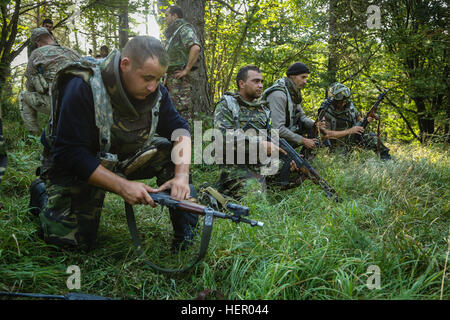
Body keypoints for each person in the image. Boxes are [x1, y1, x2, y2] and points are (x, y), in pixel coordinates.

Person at [29, 36, 198, 251]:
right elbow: (69, 153)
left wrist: (181, 176)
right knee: (71, 246)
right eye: (147, 78)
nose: (152, 87)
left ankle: (185, 238)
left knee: (172, 155)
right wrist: (123, 187)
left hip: (122, 156)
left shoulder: (157, 92)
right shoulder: (83, 85)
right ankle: (42, 192)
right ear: (125, 65)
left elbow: (181, 130)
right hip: (77, 166)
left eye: (158, 79)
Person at [213, 65, 301, 199]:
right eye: (256, 81)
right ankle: (222, 194)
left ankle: (265, 188)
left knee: (296, 171)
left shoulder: (263, 111)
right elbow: (222, 139)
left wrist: (287, 159)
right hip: (235, 167)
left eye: (261, 82)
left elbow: (272, 140)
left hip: (259, 164)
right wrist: (260, 145)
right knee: (255, 201)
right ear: (241, 84)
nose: (260, 85)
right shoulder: (228, 105)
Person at [19, 27, 81, 135]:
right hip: (83, 102)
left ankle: (34, 136)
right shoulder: (73, 52)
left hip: (59, 104)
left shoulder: (36, 54)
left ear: (37, 42)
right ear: (51, 37)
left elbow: (30, 86)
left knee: (23, 97)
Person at [318, 82, 391, 159]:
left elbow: (358, 119)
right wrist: (350, 131)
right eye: (340, 102)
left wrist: (366, 120)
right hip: (336, 146)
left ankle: (386, 160)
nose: (343, 104)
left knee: (373, 138)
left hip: (353, 139)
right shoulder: (325, 111)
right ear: (334, 99)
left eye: (345, 101)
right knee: (340, 163)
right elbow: (325, 135)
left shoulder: (349, 105)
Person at [262, 62, 322, 151]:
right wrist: (303, 140)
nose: (305, 82)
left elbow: (302, 116)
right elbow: (277, 128)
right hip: (268, 140)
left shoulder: (293, 92)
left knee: (313, 131)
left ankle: (304, 159)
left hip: (281, 136)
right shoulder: (278, 95)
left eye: (306, 78)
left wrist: (315, 125)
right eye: (303, 77)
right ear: (292, 76)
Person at [163, 5, 201, 124]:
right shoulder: (174, 33)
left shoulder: (184, 29)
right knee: (172, 110)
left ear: (175, 16)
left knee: (182, 111)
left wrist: (186, 70)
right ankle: (175, 139)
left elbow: (195, 47)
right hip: (172, 78)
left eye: (167, 15)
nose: (165, 19)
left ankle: (185, 139)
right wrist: (167, 77)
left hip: (179, 78)